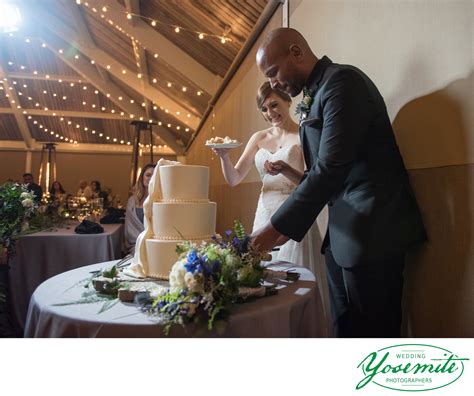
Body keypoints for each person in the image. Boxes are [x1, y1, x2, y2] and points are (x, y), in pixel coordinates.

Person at [251, 28, 427, 337]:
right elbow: (317, 172)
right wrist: (278, 233)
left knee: (374, 337)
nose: (273, 83)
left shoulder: (343, 83)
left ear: (296, 52)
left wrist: (271, 232)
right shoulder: (314, 96)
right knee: (344, 331)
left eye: (273, 72)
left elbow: (329, 170)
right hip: (342, 239)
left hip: (375, 233)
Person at [213, 81, 331, 334]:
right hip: (264, 211)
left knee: (296, 277)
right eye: (264, 109)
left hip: (294, 210)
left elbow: (311, 183)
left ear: (288, 101)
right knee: (264, 274)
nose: (270, 113)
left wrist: (286, 169)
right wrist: (223, 156)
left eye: (274, 105)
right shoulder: (259, 138)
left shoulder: (303, 134)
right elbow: (234, 179)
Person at [124, 164, 156, 253]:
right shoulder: (132, 201)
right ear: (142, 177)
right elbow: (129, 228)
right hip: (136, 245)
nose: (151, 178)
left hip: (155, 244)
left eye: (154, 175)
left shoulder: (161, 201)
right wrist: (141, 242)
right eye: (148, 175)